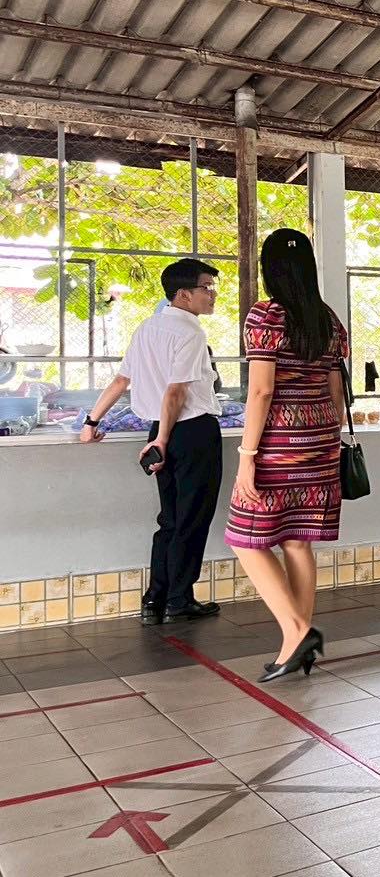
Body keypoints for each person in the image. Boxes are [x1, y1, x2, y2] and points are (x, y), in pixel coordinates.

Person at [226, 230, 348, 683]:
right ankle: (293, 647)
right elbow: (336, 393)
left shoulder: (266, 314)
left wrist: (247, 455)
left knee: (244, 538)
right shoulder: (328, 319)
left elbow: (261, 391)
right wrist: (322, 434)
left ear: (269, 269)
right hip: (321, 439)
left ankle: (298, 632)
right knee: (297, 541)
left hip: (278, 442)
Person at [80, 258, 223, 625]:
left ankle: (154, 599)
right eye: (207, 287)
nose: (212, 294)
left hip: (161, 431)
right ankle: (179, 600)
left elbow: (121, 380)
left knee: (170, 519)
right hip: (191, 432)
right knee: (192, 519)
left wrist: (91, 421)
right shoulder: (190, 333)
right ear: (183, 294)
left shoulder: (147, 327)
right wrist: (161, 440)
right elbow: (176, 391)